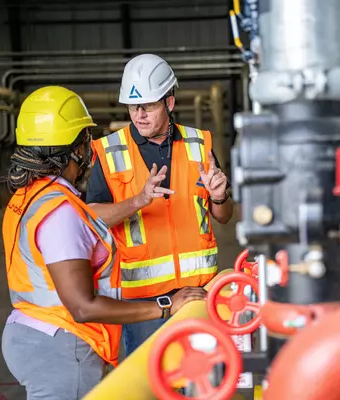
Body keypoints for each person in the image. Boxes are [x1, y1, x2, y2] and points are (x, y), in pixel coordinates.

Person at [1, 86, 206, 400]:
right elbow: (82, 306)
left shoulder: (28, 197)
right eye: (85, 141)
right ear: (75, 150)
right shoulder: (60, 212)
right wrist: (166, 306)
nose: (89, 150)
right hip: (61, 344)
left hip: (29, 331)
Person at [86, 53, 234, 355]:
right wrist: (139, 200)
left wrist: (219, 195)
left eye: (148, 105)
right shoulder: (110, 151)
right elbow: (93, 218)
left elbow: (223, 216)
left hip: (198, 293)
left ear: (169, 102)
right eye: (132, 106)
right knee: (148, 383)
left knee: (197, 380)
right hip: (144, 303)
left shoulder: (198, 144)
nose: (139, 114)